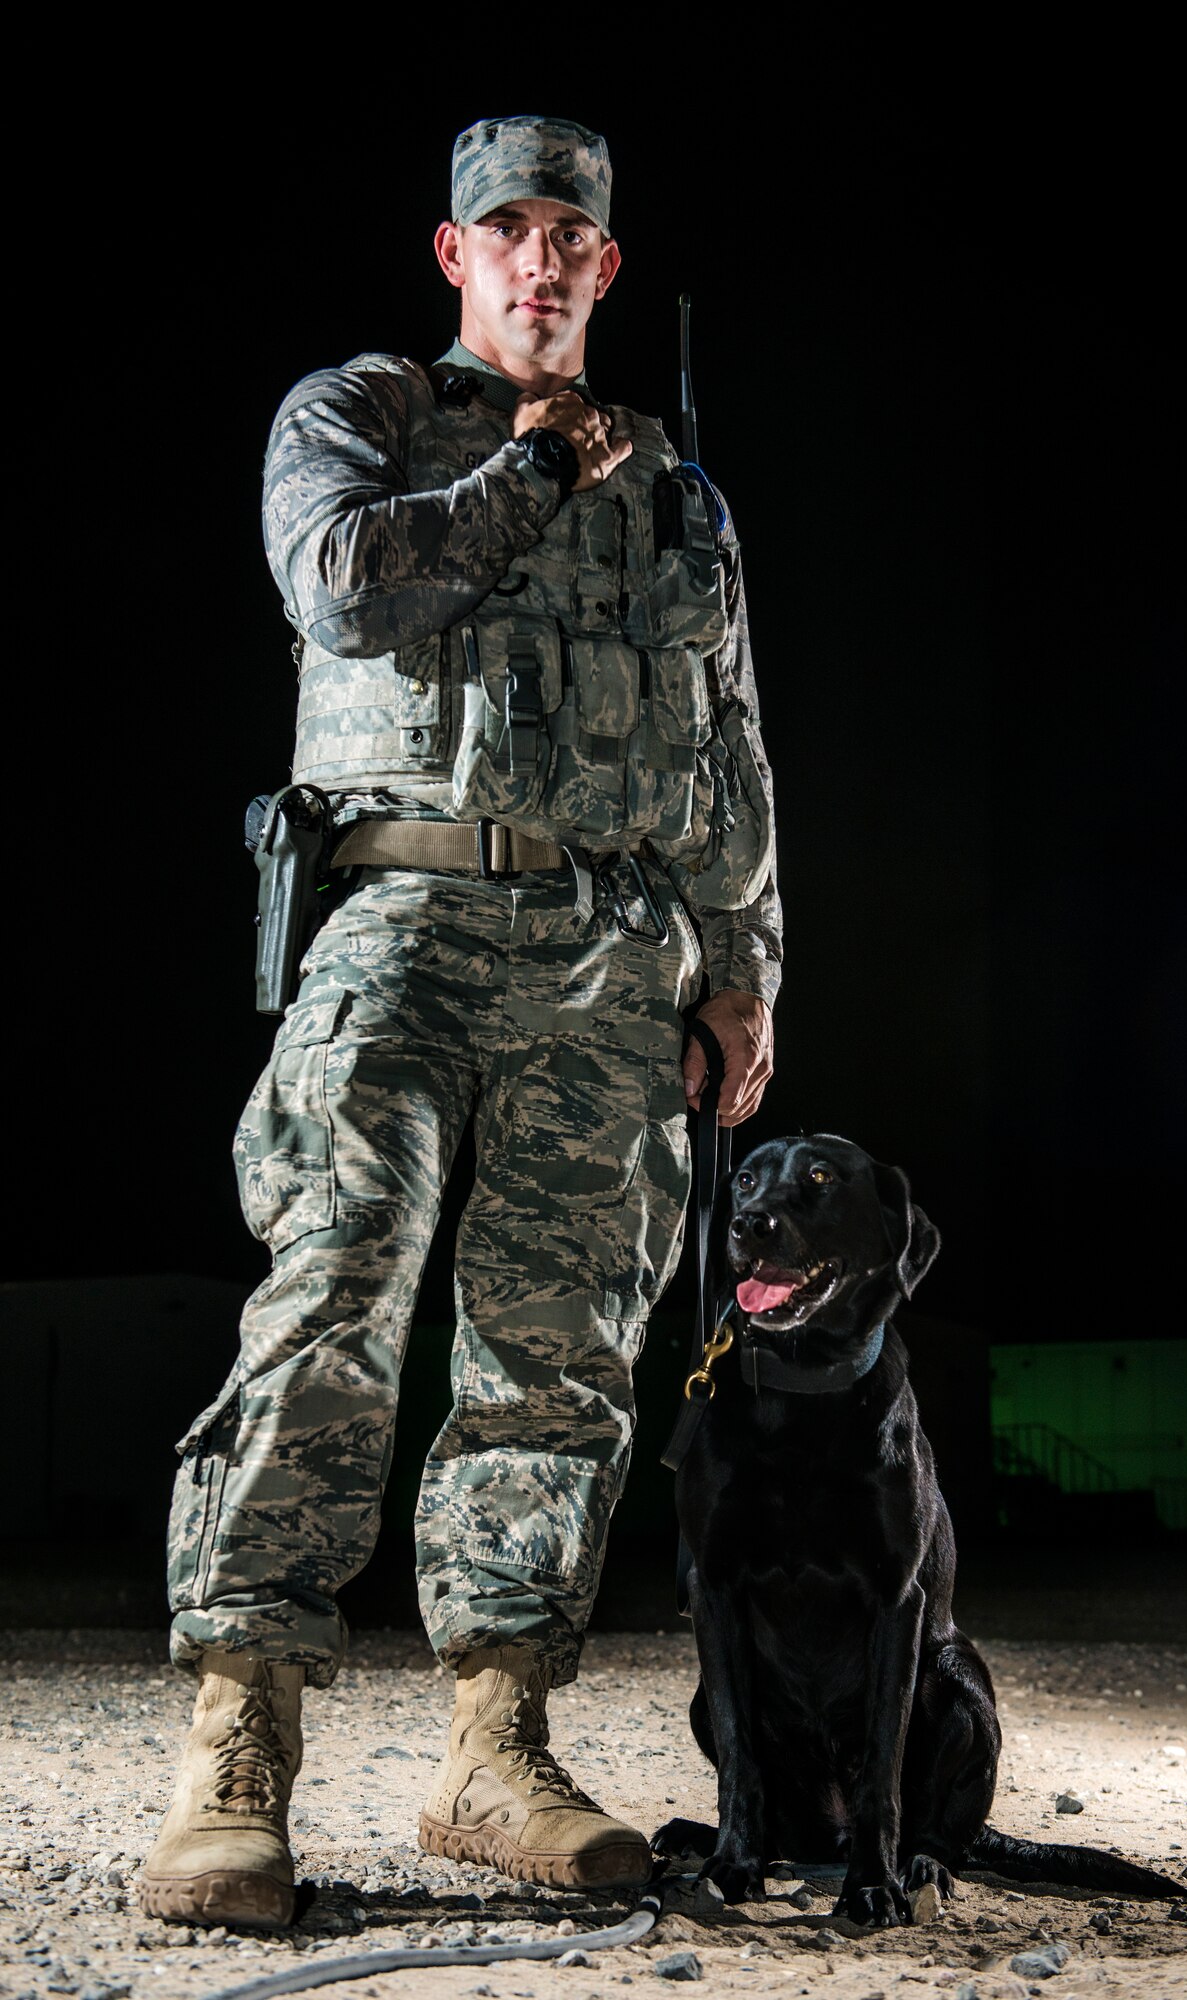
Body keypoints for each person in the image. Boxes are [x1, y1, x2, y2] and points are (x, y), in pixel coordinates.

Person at [139, 113, 782, 1929]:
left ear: (604, 266)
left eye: (569, 234)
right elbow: (344, 588)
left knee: (563, 1353)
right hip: (400, 916)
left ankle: (497, 1749)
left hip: (606, 946)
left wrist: (745, 965)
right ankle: (236, 1756)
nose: (540, 257)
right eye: (507, 228)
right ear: (455, 256)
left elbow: (730, 746)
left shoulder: (678, 487)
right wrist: (529, 465)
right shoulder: (358, 414)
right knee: (330, 1305)